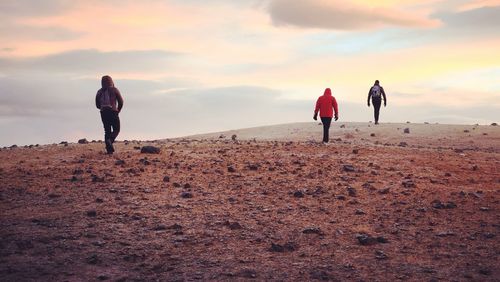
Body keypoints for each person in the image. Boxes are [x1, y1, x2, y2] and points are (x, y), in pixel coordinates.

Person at [95, 75, 123, 154]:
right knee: (116, 129)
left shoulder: (99, 91)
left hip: (103, 112)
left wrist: (102, 108)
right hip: (113, 111)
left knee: (107, 131)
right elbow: (121, 102)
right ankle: (109, 140)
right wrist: (118, 110)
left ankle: (109, 150)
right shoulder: (114, 90)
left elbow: (97, 105)